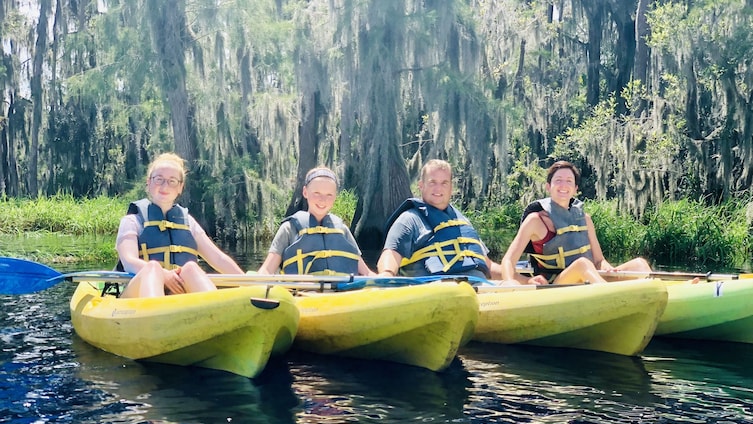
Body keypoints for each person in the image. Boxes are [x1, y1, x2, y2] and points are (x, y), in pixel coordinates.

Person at [499, 160, 651, 285]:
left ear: (575, 188)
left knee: (639, 264)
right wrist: (519, 282)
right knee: (582, 264)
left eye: (569, 181)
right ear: (548, 186)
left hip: (587, 279)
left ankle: (657, 299)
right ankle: (613, 298)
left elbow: (599, 260)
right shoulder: (535, 220)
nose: (563, 185)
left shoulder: (585, 219)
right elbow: (508, 261)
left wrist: (607, 268)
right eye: (558, 180)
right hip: (555, 285)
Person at [116, 152, 244, 298]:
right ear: (149, 182)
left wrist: (250, 284)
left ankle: (214, 309)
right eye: (159, 179)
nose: (165, 186)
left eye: (172, 181)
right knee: (153, 268)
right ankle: (154, 313)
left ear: (180, 187)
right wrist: (164, 274)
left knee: (191, 268)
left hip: (179, 294)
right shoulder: (132, 221)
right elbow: (129, 261)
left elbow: (218, 259)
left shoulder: (188, 222)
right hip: (137, 296)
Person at [378, 159, 521, 281]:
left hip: (478, 289)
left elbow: (488, 266)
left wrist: (523, 280)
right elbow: (391, 254)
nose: (438, 188)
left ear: (451, 187)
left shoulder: (463, 221)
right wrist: (386, 274)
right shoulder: (409, 220)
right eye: (432, 182)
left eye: (444, 183)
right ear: (421, 186)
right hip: (436, 291)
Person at [257, 166, 375, 276]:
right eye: (316, 193)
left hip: (340, 294)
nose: (322, 200)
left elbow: (366, 273)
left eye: (329, 195)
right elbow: (267, 270)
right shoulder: (288, 229)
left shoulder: (342, 230)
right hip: (300, 293)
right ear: (305, 192)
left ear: (335, 197)